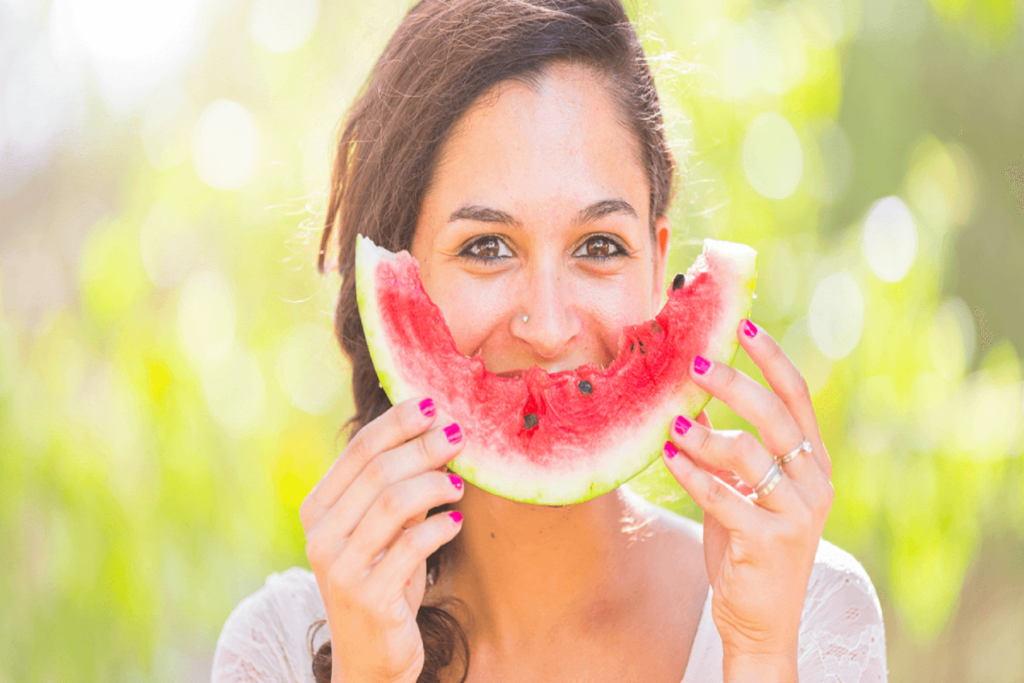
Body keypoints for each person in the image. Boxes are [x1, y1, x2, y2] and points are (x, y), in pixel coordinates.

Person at [211, 1, 888, 681]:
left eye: (599, 245)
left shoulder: (805, 615)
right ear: (400, 273)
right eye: (485, 247)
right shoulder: (277, 650)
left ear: (659, 266)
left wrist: (758, 653)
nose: (549, 324)